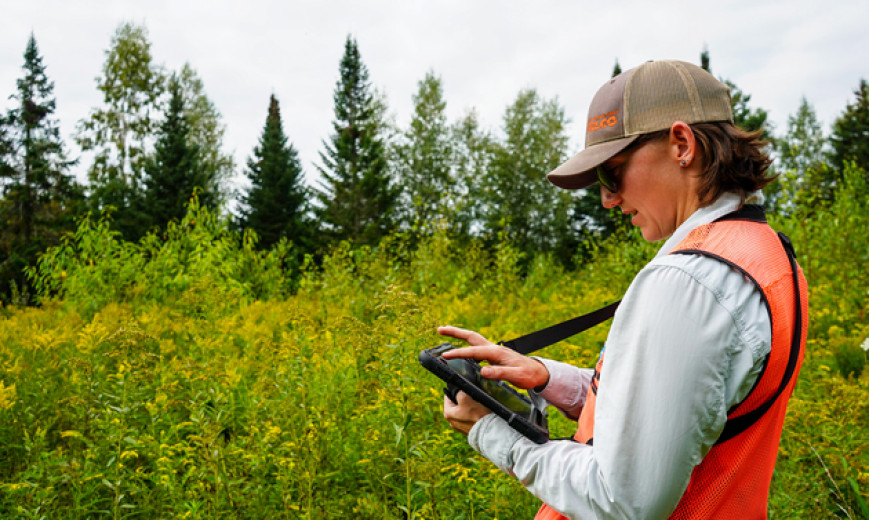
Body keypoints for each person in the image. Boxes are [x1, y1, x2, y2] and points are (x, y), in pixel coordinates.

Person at [437, 60, 808, 519]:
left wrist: (491, 430)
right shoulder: (769, 256)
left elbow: (623, 500)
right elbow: (683, 409)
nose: (608, 199)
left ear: (682, 144)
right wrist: (546, 377)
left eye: (613, 173)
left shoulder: (686, 282)